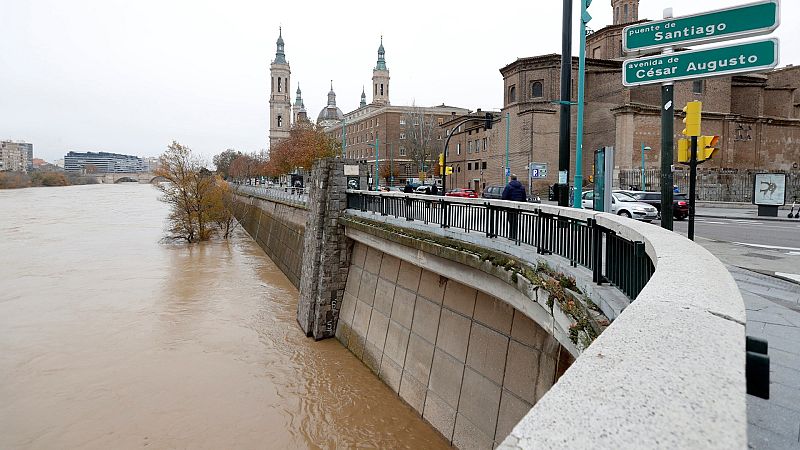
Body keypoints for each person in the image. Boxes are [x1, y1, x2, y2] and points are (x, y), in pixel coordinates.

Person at [502, 175, 526, 240]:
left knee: (510, 220)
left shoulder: (508, 186)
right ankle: (514, 236)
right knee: (515, 221)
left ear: (511, 179)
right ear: (516, 178)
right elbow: (524, 198)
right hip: (518, 207)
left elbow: (504, 197)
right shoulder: (522, 187)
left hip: (510, 207)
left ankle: (511, 236)